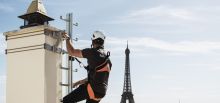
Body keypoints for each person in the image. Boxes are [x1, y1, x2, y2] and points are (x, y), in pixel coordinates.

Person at [62, 31, 112, 103]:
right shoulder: (108, 60)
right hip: (101, 93)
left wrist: (67, 39)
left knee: (67, 100)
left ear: (93, 41)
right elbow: (97, 76)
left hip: (92, 89)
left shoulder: (92, 52)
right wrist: (79, 82)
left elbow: (71, 52)